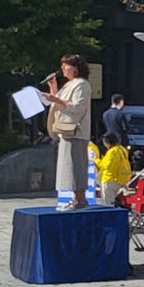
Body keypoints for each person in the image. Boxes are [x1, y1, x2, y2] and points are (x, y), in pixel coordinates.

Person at [39, 55, 92, 210]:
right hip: (66, 131)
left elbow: (77, 107)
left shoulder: (82, 84)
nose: (62, 68)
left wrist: (55, 99)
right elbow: (57, 101)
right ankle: (75, 198)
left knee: (76, 165)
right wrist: (53, 88)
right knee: (68, 167)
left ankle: (80, 200)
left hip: (76, 131)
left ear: (75, 68)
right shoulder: (69, 84)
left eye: (66, 65)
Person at [95, 131, 132, 207]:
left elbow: (106, 165)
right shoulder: (122, 149)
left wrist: (96, 161)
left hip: (109, 179)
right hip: (119, 179)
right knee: (112, 201)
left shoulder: (112, 152)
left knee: (107, 203)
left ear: (107, 143)